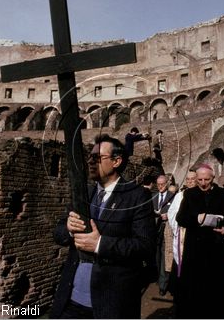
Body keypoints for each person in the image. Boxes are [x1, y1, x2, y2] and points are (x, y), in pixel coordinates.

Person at [50, 134, 157, 319]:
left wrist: (100, 244)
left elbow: (145, 246)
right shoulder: (84, 193)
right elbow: (58, 234)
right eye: (90, 157)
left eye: (97, 158)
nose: (90, 162)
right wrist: (68, 227)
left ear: (116, 161)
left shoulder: (137, 196)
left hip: (111, 302)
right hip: (72, 298)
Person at [175, 164, 224, 318]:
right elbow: (180, 218)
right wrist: (197, 218)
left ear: (213, 178)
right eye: (199, 179)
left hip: (217, 247)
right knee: (194, 290)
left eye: (206, 179)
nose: (202, 183)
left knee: (217, 289)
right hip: (195, 248)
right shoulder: (189, 194)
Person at [167, 171, 197, 304]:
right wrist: (179, 225)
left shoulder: (200, 194)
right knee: (180, 261)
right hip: (181, 233)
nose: (190, 181)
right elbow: (171, 212)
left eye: (193, 179)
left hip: (195, 235)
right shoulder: (180, 195)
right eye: (188, 179)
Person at [153, 174, 174, 296]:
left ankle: (163, 284)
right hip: (155, 230)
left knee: (165, 255)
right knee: (157, 255)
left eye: (162, 184)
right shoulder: (153, 196)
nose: (160, 186)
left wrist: (168, 216)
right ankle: (159, 278)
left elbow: (175, 213)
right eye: (158, 184)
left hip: (167, 230)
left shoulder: (172, 197)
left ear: (166, 184)